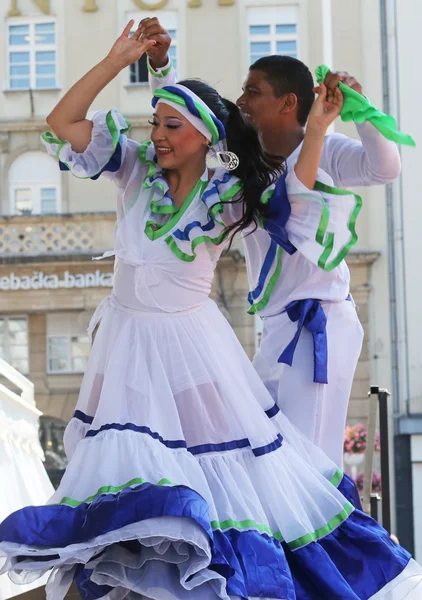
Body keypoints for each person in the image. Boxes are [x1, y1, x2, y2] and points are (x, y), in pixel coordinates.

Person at [1, 21, 421, 600]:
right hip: (126, 348)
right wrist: (116, 59)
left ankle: (245, 578)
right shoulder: (136, 172)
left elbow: (297, 196)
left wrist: (320, 127)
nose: (159, 135)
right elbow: (62, 123)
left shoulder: (228, 195)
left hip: (194, 346)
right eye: (156, 124)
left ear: (203, 136)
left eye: (172, 126)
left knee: (234, 471)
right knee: (126, 476)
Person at [142, 17, 402, 467]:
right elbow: (181, 121)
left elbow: (384, 169)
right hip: (276, 327)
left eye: (253, 91)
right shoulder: (241, 157)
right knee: (263, 451)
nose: (241, 100)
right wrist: (160, 64)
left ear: (288, 103)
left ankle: (325, 539)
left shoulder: (327, 151)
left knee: (307, 459)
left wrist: (361, 115)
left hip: (318, 321)